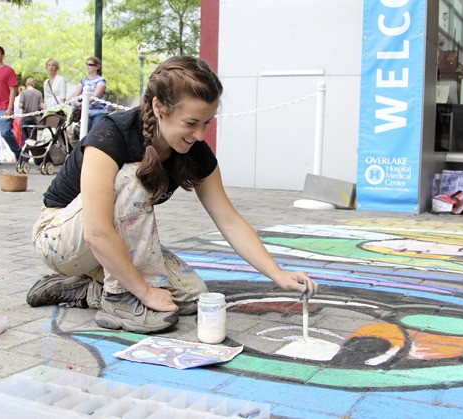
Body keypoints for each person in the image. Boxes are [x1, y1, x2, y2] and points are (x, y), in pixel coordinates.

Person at [26, 56, 318, 334]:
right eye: (191, 123)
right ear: (159, 107)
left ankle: (84, 288)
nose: (200, 135)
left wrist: (278, 274)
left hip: (106, 241)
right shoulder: (111, 134)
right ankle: (117, 300)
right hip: (61, 239)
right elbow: (97, 232)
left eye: (207, 123)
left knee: (192, 296)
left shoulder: (193, 150)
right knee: (133, 178)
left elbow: (228, 219)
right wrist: (143, 291)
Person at [67, 56, 109, 130]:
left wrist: (85, 102)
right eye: (87, 64)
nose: (88, 66)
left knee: (95, 129)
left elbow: (96, 95)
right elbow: (75, 94)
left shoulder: (101, 80)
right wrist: (76, 102)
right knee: (84, 131)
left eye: (90, 64)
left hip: (99, 112)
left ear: (97, 67)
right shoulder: (83, 80)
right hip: (86, 112)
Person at [19, 77, 44, 143]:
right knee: (35, 136)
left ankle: (26, 150)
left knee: (25, 137)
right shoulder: (39, 93)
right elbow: (42, 106)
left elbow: (20, 105)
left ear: (26, 84)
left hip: (25, 117)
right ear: (34, 84)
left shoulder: (23, 93)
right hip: (35, 117)